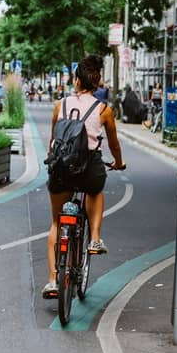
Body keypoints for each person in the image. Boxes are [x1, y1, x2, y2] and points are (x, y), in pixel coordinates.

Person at [42, 55, 125, 299]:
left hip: (61, 168)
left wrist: (52, 159)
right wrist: (118, 163)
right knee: (94, 191)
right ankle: (95, 239)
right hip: (89, 167)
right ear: (97, 83)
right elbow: (114, 144)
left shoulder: (61, 106)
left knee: (57, 223)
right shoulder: (104, 110)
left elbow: (53, 140)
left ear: (76, 81)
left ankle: (52, 281)